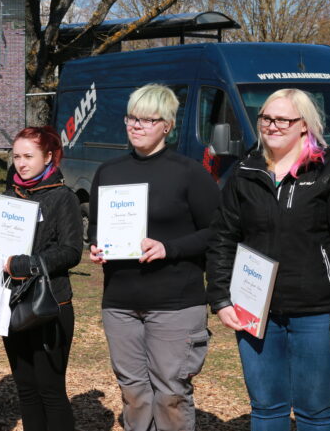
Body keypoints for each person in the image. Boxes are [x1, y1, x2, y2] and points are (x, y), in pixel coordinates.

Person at [206, 88, 330, 431]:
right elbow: (222, 238)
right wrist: (221, 298)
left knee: (315, 412)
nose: (272, 125)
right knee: (266, 409)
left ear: (304, 125)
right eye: (266, 117)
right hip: (256, 311)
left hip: (318, 313)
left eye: (283, 119)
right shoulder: (244, 171)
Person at [88, 83, 219, 431]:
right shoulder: (109, 171)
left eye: (148, 119)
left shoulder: (189, 172)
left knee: (171, 393)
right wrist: (96, 246)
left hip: (174, 301)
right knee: (133, 391)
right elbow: (97, 225)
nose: (137, 125)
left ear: (168, 125)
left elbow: (217, 232)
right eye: (132, 117)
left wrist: (169, 248)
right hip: (120, 301)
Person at [0, 126, 82, 431]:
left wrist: (27, 264)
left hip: (50, 305)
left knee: (50, 390)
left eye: (29, 156)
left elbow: (72, 251)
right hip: (11, 305)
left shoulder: (64, 198)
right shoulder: (9, 198)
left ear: (48, 156)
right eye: (16, 156)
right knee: (25, 389)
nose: (21, 163)